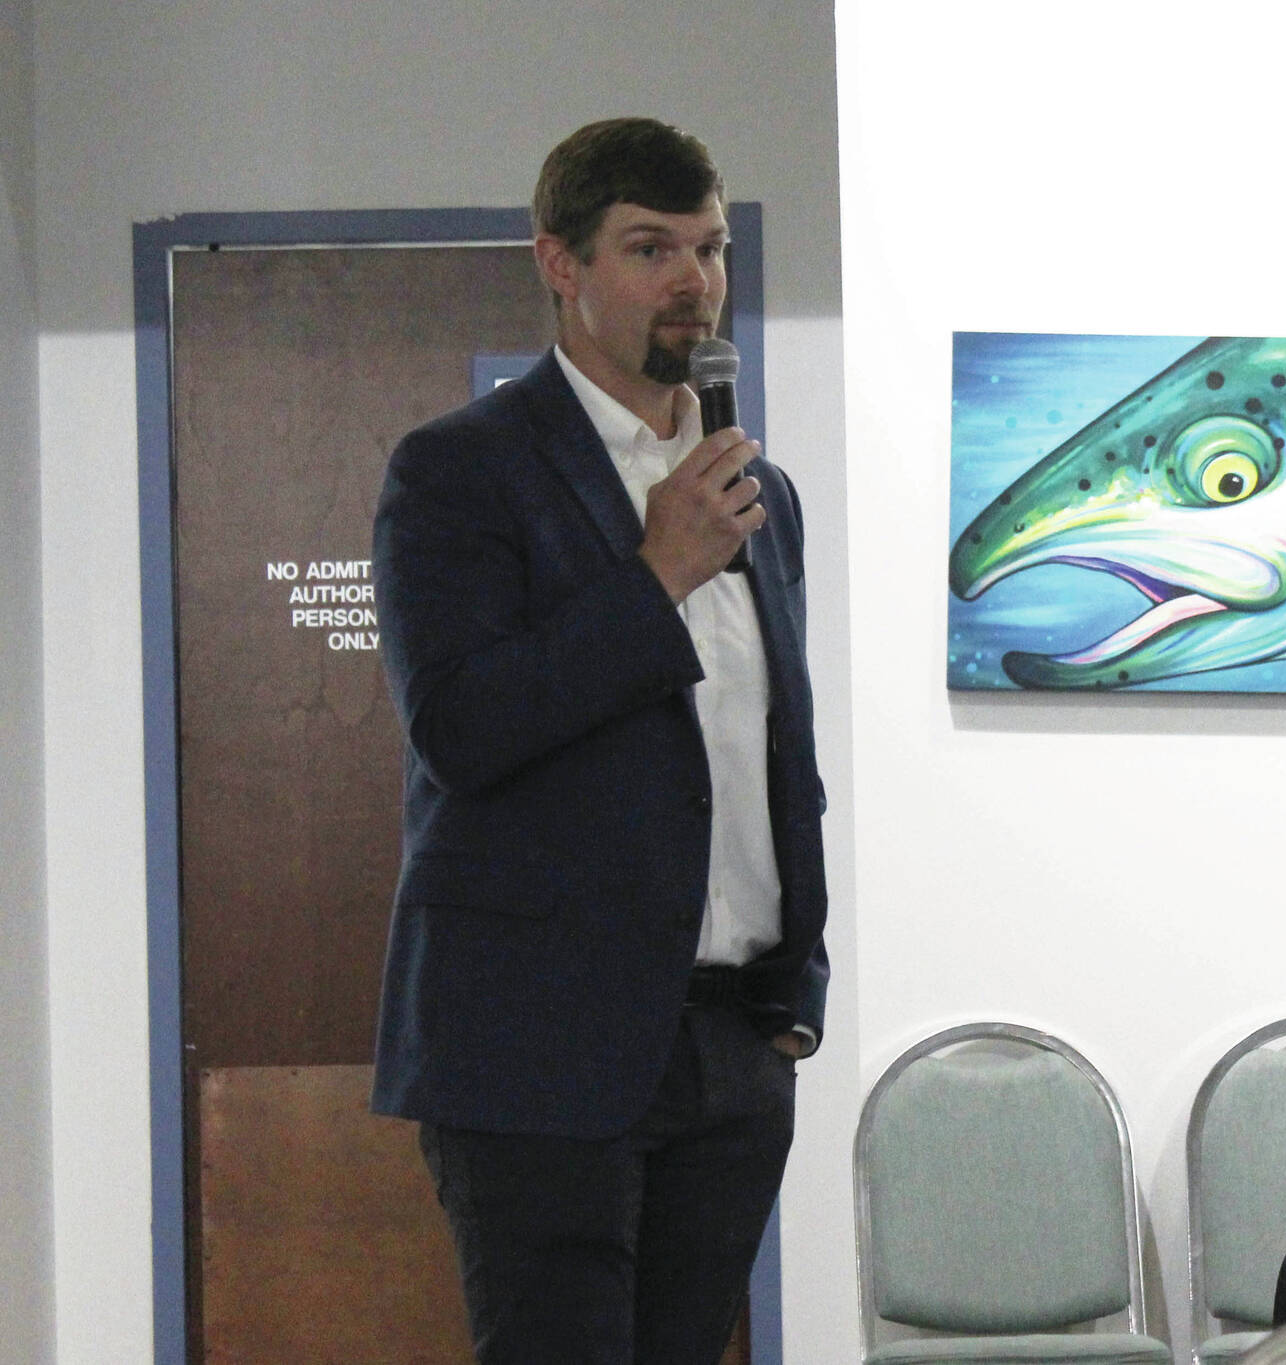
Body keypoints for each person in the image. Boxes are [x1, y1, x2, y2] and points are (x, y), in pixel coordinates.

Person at [369, 118, 828, 1365]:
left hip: (731, 1045)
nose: (693, 281)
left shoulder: (757, 493)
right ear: (558, 265)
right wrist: (653, 575)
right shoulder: (460, 473)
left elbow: (775, 757)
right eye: (648, 248)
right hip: (536, 1050)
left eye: (710, 247)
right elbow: (460, 729)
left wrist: (795, 1003)